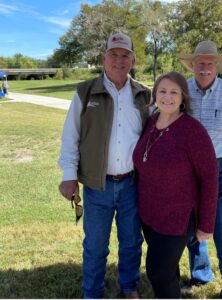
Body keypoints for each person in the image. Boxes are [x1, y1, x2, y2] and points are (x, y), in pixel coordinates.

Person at [58, 33, 151, 299]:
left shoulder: (144, 94)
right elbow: (71, 136)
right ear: (103, 58)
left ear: (133, 59)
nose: (119, 60)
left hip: (133, 184)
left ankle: (129, 287)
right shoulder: (85, 91)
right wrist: (68, 176)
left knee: (132, 242)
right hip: (98, 186)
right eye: (114, 54)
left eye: (125, 55)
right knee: (96, 245)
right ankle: (93, 292)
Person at [133, 71, 219, 298]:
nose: (167, 97)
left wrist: (206, 225)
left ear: (183, 97)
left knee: (157, 272)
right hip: (150, 214)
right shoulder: (151, 122)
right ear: (155, 95)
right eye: (162, 91)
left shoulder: (192, 130)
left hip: (177, 217)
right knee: (167, 270)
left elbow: (210, 178)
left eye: (174, 92)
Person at [178, 40, 222, 299]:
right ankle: (201, 273)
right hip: (190, 171)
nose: (205, 67)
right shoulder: (182, 89)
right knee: (193, 225)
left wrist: (217, 156)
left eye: (210, 63)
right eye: (200, 62)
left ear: (217, 65)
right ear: (192, 65)